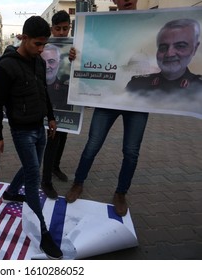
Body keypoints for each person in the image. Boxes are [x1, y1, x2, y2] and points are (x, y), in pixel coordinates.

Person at [0, 16, 62, 259]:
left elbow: (43, 91)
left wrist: (50, 116)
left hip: (40, 127)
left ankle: (10, 192)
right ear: (24, 38)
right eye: (37, 44)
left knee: (31, 167)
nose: (41, 50)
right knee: (34, 177)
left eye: (44, 45)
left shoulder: (38, 62)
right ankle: (42, 232)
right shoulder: (6, 66)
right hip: (21, 131)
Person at [65, 0, 148, 217]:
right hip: (108, 98)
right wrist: (77, 55)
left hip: (138, 100)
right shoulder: (103, 25)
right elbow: (90, 51)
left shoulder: (151, 23)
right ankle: (78, 182)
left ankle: (121, 192)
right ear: (114, 1)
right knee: (92, 144)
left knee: (131, 152)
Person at [41, 10, 74, 199]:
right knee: (52, 140)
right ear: (52, 29)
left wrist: (75, 58)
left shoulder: (73, 49)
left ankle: (55, 167)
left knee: (62, 137)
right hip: (44, 105)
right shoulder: (43, 46)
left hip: (63, 104)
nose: (62, 33)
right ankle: (45, 180)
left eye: (65, 28)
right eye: (58, 29)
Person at [127, 18, 202, 94]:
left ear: (194, 49)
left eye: (180, 46)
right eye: (163, 47)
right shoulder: (136, 85)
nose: (169, 54)